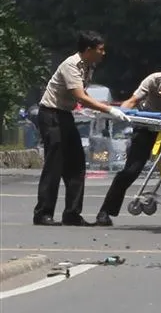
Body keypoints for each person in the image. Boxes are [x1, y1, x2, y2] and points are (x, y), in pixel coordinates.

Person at [33, 31, 130, 227]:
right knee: (54, 164)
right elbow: (80, 96)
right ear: (88, 50)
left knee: (77, 165)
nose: (103, 53)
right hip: (51, 115)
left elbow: (82, 95)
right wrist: (109, 109)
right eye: (100, 50)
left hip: (64, 115)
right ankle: (43, 213)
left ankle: (72, 213)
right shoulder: (71, 65)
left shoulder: (88, 66)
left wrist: (96, 110)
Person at [95, 70, 161, 227]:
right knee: (131, 170)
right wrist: (119, 114)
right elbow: (132, 101)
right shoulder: (153, 79)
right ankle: (105, 212)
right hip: (148, 123)